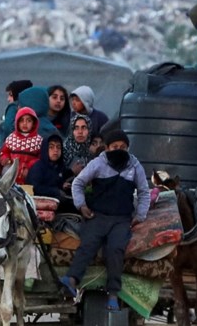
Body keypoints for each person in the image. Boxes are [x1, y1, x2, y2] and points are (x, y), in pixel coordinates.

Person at [59, 129, 151, 313]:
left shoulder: (135, 166)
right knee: (88, 244)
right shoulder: (98, 163)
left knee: (115, 249)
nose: (119, 150)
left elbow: (144, 192)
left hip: (121, 219)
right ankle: (72, 280)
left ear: (128, 148)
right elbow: (78, 183)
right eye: (115, 147)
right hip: (97, 216)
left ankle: (113, 294)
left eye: (123, 147)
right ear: (107, 148)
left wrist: (140, 216)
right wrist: (82, 206)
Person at [0, 107, 43, 184]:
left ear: (33, 124)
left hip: (29, 175)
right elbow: (4, 151)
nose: (25, 123)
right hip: (12, 175)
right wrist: (5, 158)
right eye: (21, 120)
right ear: (17, 123)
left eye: (28, 121)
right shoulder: (11, 138)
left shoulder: (38, 140)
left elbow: (41, 158)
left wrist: (30, 167)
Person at [26, 133, 71, 203]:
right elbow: (34, 188)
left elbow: (56, 182)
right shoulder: (38, 167)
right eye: (51, 147)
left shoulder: (60, 166)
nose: (56, 150)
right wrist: (56, 191)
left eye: (58, 147)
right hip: (40, 203)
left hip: (56, 200)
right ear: (45, 149)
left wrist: (62, 185)